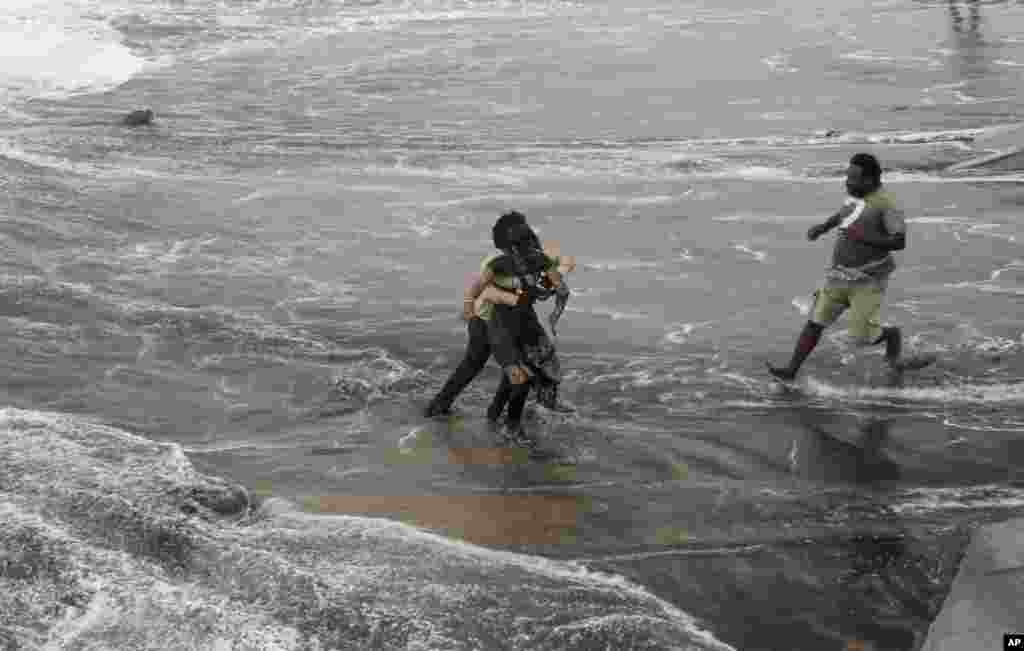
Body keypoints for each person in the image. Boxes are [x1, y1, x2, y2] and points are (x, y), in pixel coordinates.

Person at [767, 153, 931, 382]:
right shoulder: (855, 195)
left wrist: (863, 237)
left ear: (871, 180)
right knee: (815, 323)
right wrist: (823, 227)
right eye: (848, 176)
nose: (847, 182)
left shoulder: (888, 206)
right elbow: (844, 214)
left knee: (861, 337)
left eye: (853, 178)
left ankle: (892, 336)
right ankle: (790, 371)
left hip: (867, 280)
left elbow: (898, 242)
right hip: (837, 275)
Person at [424, 212, 574, 419]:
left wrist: (549, 283)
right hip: (487, 320)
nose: (528, 238)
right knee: (482, 365)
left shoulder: (533, 256)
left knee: (485, 365)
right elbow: (489, 292)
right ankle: (489, 415)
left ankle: (466, 410)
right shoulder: (497, 262)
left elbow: (558, 269)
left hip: (507, 319)